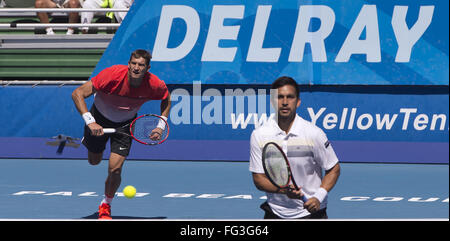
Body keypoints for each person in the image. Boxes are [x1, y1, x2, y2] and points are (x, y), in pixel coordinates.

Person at [71, 49, 171, 219]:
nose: (136, 68)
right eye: (134, 63)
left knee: (115, 169)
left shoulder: (154, 84)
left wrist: (161, 126)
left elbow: (166, 99)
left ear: (147, 68)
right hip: (98, 119)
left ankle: (106, 205)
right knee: (94, 161)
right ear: (128, 64)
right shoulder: (112, 75)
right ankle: (93, 143)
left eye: (141, 65)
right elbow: (77, 93)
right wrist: (90, 121)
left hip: (125, 125)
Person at [249, 76, 340, 219]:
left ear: (298, 102)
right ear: (273, 101)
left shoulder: (314, 134)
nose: (285, 102)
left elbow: (333, 168)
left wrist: (318, 197)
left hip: (311, 213)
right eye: (280, 97)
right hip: (275, 213)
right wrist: (283, 190)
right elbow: (258, 179)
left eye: (290, 97)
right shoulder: (259, 135)